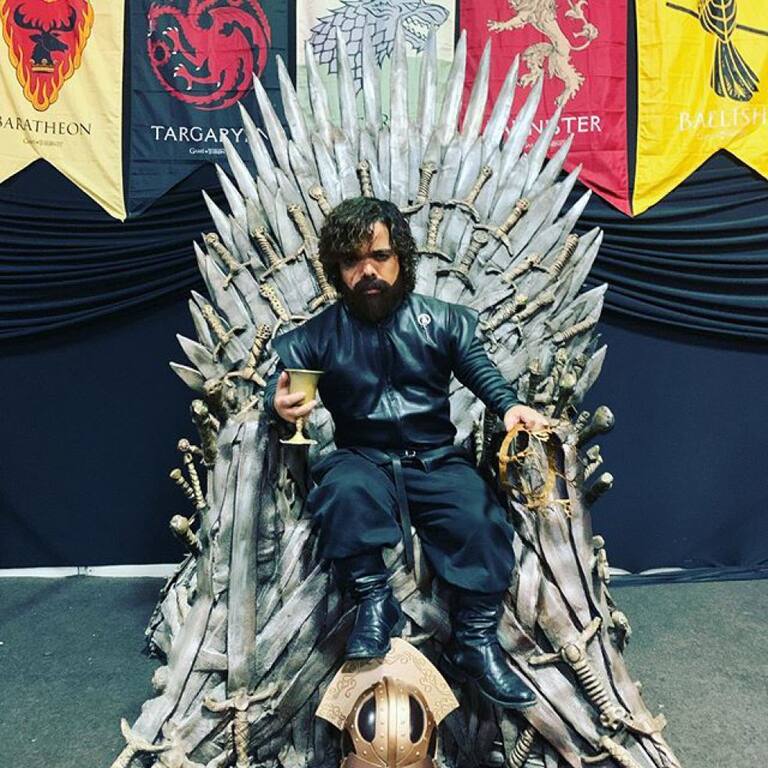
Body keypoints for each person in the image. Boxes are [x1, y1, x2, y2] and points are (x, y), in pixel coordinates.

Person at [264, 197, 548, 709]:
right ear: (336, 270)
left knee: (479, 516)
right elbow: (286, 388)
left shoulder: (443, 321)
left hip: (436, 457)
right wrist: (278, 405)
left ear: (401, 258)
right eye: (352, 261)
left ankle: (476, 641)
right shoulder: (317, 336)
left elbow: (481, 371)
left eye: (379, 256)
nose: (367, 271)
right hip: (362, 458)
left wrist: (510, 408)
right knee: (342, 492)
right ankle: (375, 602)